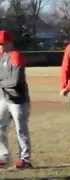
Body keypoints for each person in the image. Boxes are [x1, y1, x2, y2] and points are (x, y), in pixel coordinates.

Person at [0, 30, 32, 169]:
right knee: (0, 126)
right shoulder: (2, 56)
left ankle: (25, 159)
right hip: (5, 99)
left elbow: (16, 81)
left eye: (2, 44)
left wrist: (1, 84)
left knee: (21, 129)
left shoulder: (16, 56)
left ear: (9, 42)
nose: (0, 47)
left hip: (19, 100)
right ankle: (3, 156)